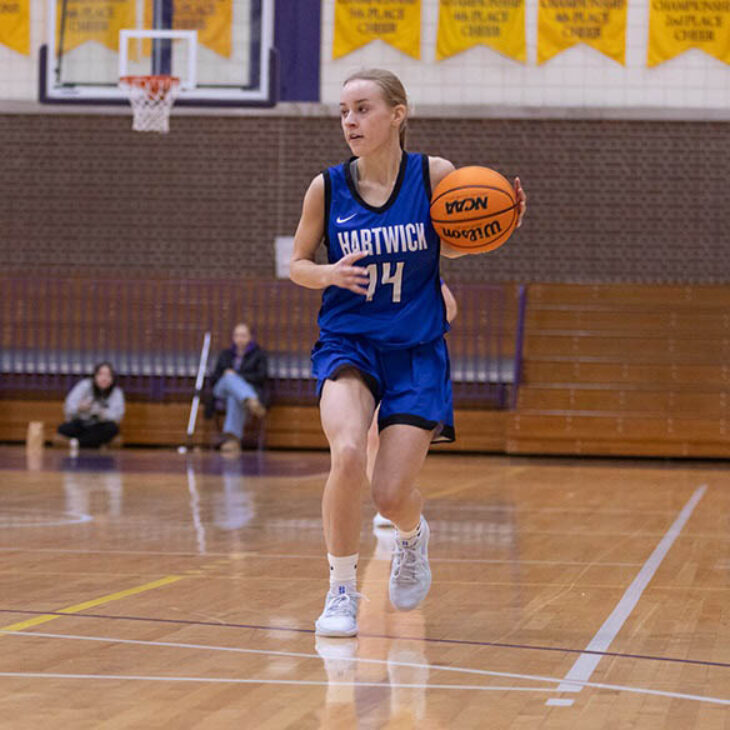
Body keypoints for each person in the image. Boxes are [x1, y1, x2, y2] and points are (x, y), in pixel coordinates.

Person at [289, 68, 526, 637]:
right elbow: (296, 263)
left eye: (363, 108)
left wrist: (502, 223)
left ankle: (413, 536)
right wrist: (327, 272)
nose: (350, 120)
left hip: (416, 349)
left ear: (398, 113)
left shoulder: (434, 175)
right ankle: (341, 588)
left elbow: (457, 243)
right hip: (349, 341)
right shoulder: (327, 187)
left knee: (391, 493)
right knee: (347, 454)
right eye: (344, 110)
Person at [370, 279, 458, 528]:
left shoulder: (418, 269)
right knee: (370, 438)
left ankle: (397, 499)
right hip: (372, 355)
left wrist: (420, 331)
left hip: (409, 361)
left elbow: (450, 307)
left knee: (395, 437)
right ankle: (381, 503)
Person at [209, 322, 268, 454]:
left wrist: (238, 376)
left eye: (243, 335)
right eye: (237, 335)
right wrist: (230, 376)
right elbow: (215, 376)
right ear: (233, 337)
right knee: (229, 378)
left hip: (241, 390)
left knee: (234, 396)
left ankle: (232, 440)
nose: (240, 338)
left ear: (250, 337)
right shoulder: (225, 354)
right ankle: (251, 400)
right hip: (221, 389)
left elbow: (261, 376)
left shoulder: (259, 355)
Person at [55, 362, 125, 451]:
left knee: (112, 429)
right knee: (63, 428)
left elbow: (118, 416)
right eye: (101, 374)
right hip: (82, 423)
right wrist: (80, 408)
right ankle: (96, 443)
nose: (104, 378)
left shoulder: (117, 392)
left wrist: (103, 413)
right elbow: (68, 407)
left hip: (101, 425)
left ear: (112, 379)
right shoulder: (83, 386)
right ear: (94, 376)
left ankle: (77, 443)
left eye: (108, 376)